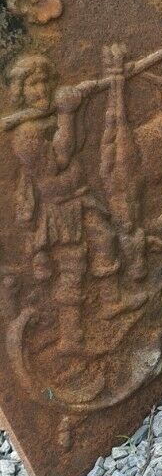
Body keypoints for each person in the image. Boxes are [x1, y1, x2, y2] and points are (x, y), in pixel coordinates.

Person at [6, 53, 119, 351]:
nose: (41, 90)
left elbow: (78, 143)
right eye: (32, 85)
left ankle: (111, 302)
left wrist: (70, 112)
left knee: (105, 239)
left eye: (44, 82)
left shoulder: (48, 118)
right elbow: (59, 159)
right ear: (20, 92)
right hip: (58, 209)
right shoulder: (25, 133)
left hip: (80, 197)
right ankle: (71, 337)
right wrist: (68, 115)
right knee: (72, 266)